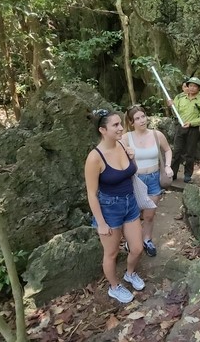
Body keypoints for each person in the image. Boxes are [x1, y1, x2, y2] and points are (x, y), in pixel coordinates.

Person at [84, 109, 146, 304]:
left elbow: (132, 171)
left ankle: (129, 273)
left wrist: (132, 156)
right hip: (109, 208)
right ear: (103, 130)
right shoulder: (94, 157)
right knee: (111, 253)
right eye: (116, 125)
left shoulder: (122, 143)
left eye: (121, 124)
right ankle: (114, 287)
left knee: (137, 248)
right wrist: (101, 223)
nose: (121, 128)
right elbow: (91, 194)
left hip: (130, 203)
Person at [122, 106, 173, 257]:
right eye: (137, 118)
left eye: (143, 116)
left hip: (153, 178)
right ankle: (132, 241)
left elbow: (168, 150)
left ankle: (147, 239)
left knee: (149, 215)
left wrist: (168, 166)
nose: (142, 120)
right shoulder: (126, 138)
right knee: (134, 215)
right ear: (131, 122)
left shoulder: (157, 135)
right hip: (135, 180)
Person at [166, 77, 200, 183]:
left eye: (195, 86)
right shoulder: (180, 99)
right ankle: (173, 173)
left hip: (193, 130)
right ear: (187, 87)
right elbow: (175, 113)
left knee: (190, 153)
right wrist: (171, 106)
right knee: (177, 151)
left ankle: (187, 175)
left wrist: (191, 123)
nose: (192, 88)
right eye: (190, 86)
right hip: (180, 128)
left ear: (198, 89)